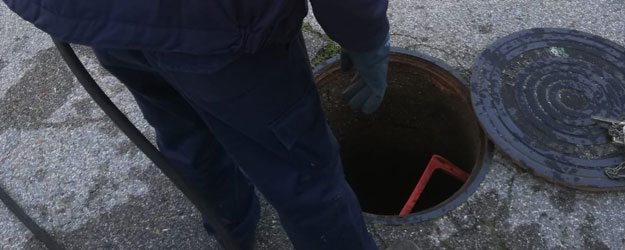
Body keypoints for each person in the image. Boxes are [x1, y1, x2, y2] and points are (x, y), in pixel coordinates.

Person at [3, 0, 419, 249]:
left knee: (184, 128)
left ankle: (230, 227)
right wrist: (364, 35)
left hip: (105, 23)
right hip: (225, 35)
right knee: (303, 172)